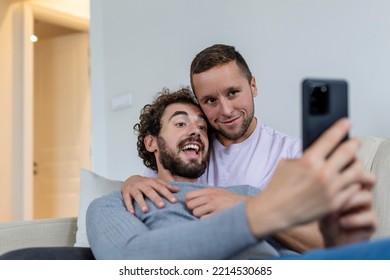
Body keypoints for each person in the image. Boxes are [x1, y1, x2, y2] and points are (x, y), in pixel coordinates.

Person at [86, 88, 383, 260]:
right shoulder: (113, 204)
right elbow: (128, 261)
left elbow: (323, 247)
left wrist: (246, 206)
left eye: (202, 127)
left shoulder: (243, 195)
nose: (195, 131)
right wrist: (251, 217)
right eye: (180, 124)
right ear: (151, 142)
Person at [121, 44, 320, 252]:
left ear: (253, 86)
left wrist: (243, 207)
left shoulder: (296, 154)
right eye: (210, 101)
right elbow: (151, 192)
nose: (225, 110)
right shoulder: (189, 149)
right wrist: (132, 182)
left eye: (233, 93)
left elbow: (326, 241)